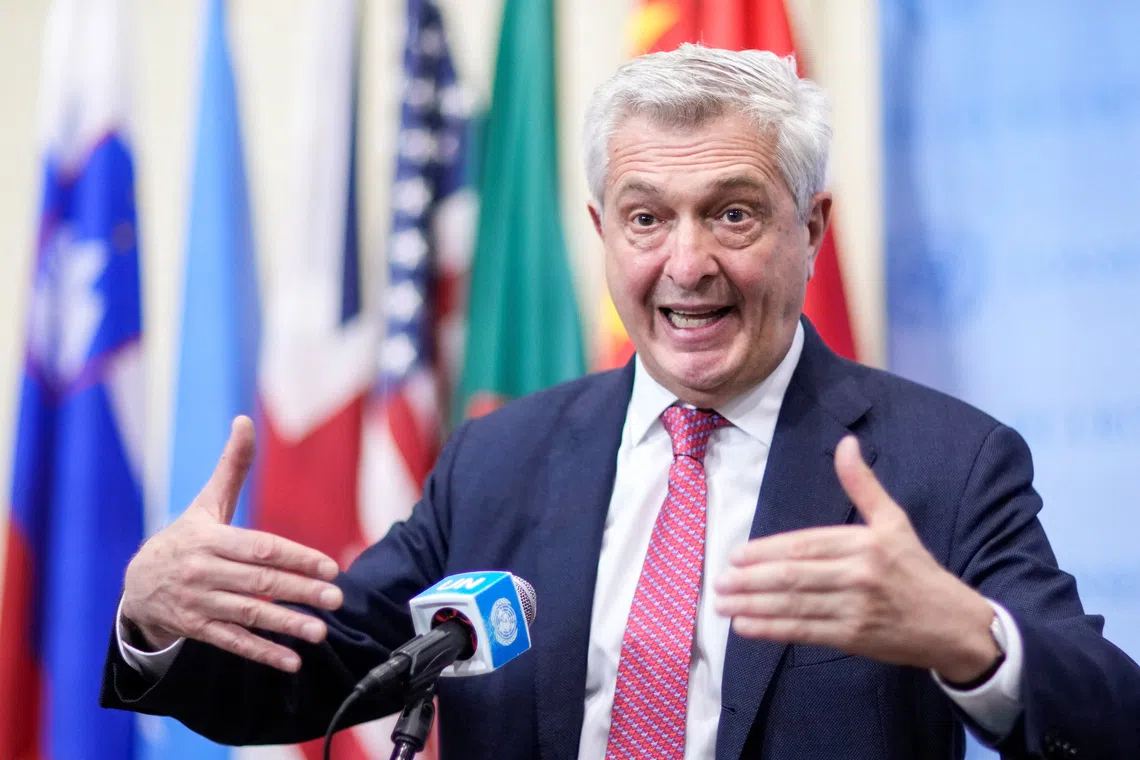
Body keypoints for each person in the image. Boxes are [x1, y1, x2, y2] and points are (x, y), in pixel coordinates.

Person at [101, 45, 1140, 759]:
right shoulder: (497, 460)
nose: (687, 263)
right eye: (648, 219)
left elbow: (1108, 717)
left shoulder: (944, 465)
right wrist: (154, 618)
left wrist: (970, 636)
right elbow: (319, 677)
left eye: (733, 213)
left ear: (811, 227)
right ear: (603, 229)